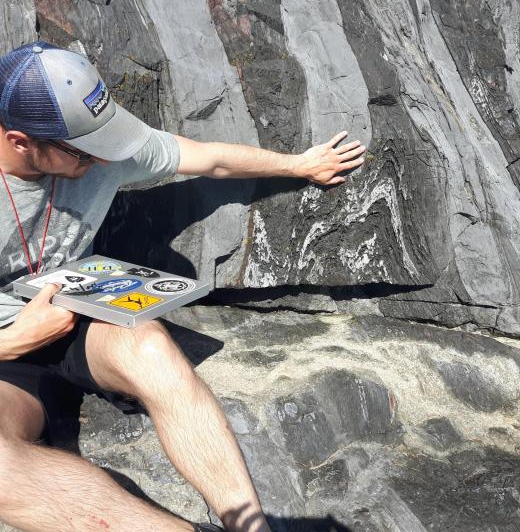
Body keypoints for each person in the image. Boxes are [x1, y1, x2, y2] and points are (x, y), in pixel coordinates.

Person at [0, 41, 367, 532]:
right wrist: (14, 339)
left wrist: (298, 165)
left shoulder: (99, 151)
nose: (108, 161)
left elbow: (208, 158)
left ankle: (249, 526)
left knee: (150, 345)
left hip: (77, 314)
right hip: (7, 360)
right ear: (23, 141)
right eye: (89, 152)